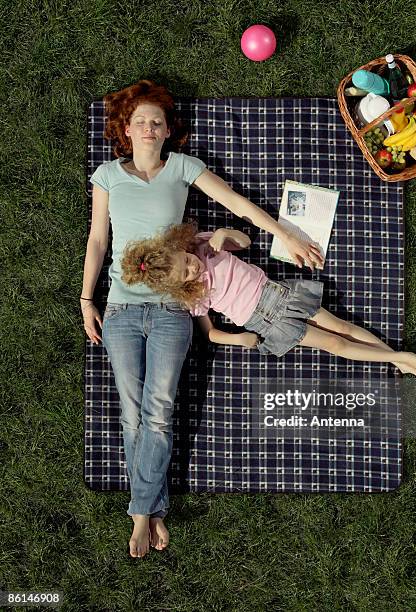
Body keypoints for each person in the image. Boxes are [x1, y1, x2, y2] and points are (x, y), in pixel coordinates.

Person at [81, 79, 324, 559]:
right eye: (140, 121)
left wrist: (285, 234)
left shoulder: (183, 168)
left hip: (174, 311)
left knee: (158, 411)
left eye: (157, 121)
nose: (148, 128)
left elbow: (235, 202)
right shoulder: (107, 175)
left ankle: (141, 514)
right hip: (122, 309)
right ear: (125, 129)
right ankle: (149, 512)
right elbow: (97, 241)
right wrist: (87, 299)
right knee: (134, 413)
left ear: (168, 131)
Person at [120, 222, 416, 376]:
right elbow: (210, 333)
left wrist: (222, 232)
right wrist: (240, 339)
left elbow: (246, 241)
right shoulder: (193, 297)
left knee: (342, 327)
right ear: (179, 286)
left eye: (186, 259)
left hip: (278, 295)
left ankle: (397, 358)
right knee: (335, 345)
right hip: (263, 322)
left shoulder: (204, 246)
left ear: (181, 247)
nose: (192, 267)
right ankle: (398, 359)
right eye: (186, 274)